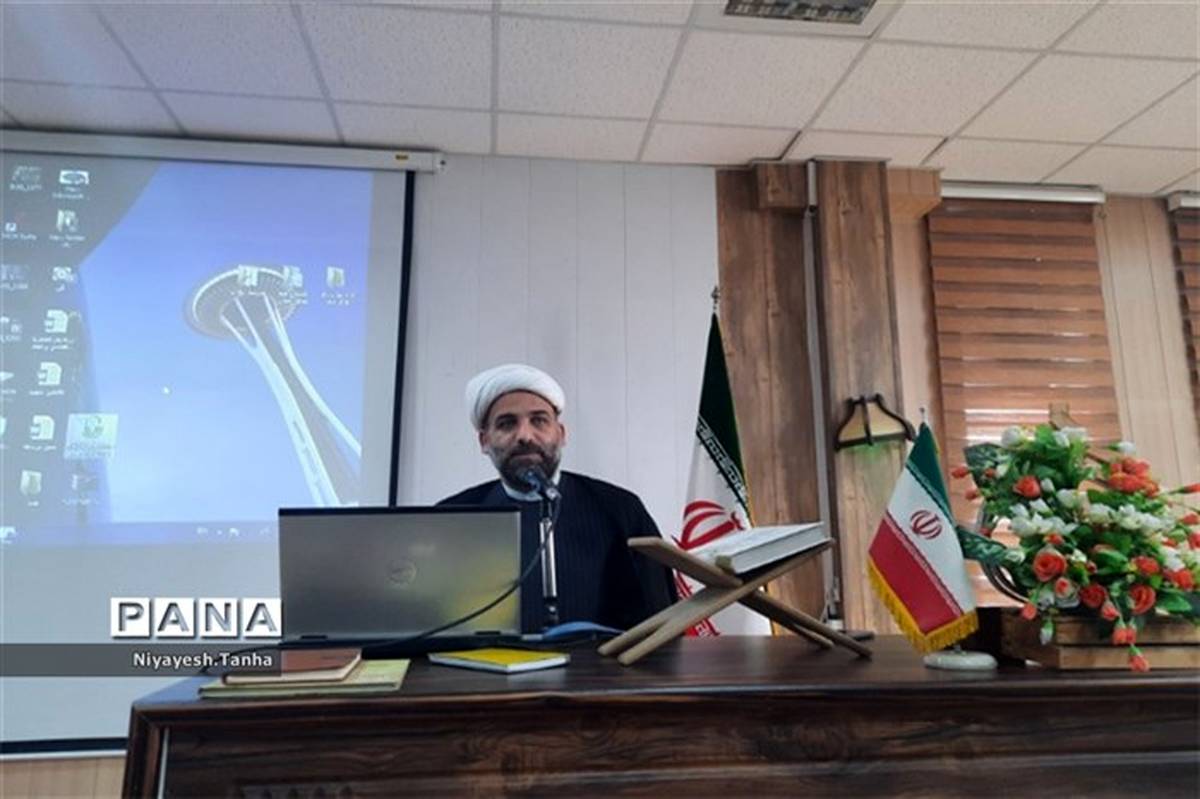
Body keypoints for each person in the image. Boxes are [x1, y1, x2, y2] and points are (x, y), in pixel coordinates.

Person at [439, 363, 676, 632]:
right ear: (484, 441)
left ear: (561, 434)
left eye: (539, 420)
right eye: (507, 424)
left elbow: (661, 624)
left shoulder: (620, 509)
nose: (525, 436)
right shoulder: (451, 518)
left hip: (599, 661)